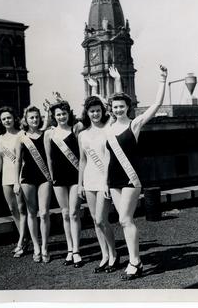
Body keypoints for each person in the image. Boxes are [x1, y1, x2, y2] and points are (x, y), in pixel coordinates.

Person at [105, 65, 168, 280]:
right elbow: (108, 159)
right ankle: (135, 260)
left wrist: (162, 78)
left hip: (131, 178)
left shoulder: (134, 125)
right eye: (115, 107)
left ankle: (135, 262)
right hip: (113, 180)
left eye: (122, 106)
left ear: (127, 108)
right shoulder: (108, 128)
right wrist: (117, 80)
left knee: (125, 219)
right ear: (111, 108)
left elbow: (157, 104)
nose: (118, 109)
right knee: (124, 220)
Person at [77, 66, 122, 274]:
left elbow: (116, 104)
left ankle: (114, 254)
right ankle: (104, 255)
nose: (95, 114)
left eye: (97, 110)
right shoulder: (83, 134)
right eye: (91, 111)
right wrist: (80, 184)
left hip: (105, 180)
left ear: (102, 111)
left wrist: (117, 80)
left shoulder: (108, 127)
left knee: (102, 219)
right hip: (89, 180)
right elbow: (83, 161)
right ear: (87, 113)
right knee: (95, 220)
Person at [44, 99, 84, 268]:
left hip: (75, 175)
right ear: (53, 116)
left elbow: (82, 157)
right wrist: (51, 177)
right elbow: (48, 158)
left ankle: (76, 250)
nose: (61, 117)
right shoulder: (49, 133)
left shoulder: (76, 129)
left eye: (64, 113)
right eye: (58, 114)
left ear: (69, 114)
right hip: (58, 177)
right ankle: (69, 249)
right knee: (65, 213)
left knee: (74, 212)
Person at [13, 105, 53, 263]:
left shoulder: (46, 134)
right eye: (31, 118)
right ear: (26, 120)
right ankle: (36, 246)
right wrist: (16, 182)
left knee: (44, 213)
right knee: (31, 212)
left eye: (37, 117)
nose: (35, 120)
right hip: (28, 178)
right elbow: (17, 162)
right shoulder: (21, 137)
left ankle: (44, 247)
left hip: (44, 177)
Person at [0, 106, 27, 258]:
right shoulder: (0, 138)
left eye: (9, 118)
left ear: (14, 118)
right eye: (4, 119)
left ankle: (21, 242)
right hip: (6, 177)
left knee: (22, 209)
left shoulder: (21, 134)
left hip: (21, 175)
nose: (7, 121)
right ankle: (23, 238)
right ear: (1, 121)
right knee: (13, 210)